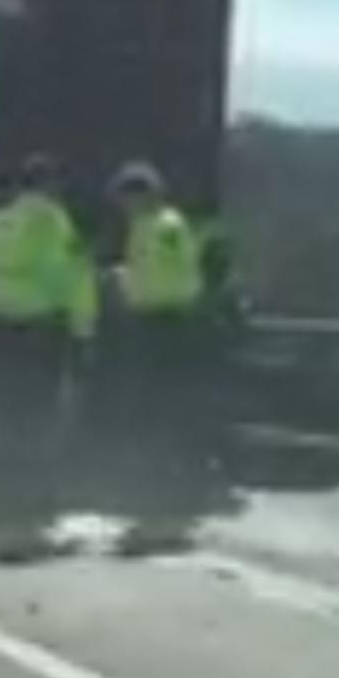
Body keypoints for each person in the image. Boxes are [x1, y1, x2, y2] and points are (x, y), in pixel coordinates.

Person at [0, 153, 83, 561]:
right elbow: (67, 276)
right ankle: (28, 501)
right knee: (35, 418)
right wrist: (81, 330)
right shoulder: (50, 219)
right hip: (34, 329)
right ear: (49, 184)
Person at [102, 160, 213, 555]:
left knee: (161, 417)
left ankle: (167, 510)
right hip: (158, 325)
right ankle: (160, 509)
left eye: (124, 198)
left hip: (165, 326)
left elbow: (173, 278)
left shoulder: (163, 227)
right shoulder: (149, 226)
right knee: (154, 416)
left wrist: (125, 283)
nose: (121, 207)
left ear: (142, 194)